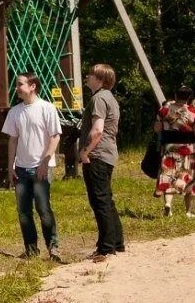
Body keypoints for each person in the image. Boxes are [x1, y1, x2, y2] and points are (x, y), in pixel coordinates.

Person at [2, 73, 63, 261]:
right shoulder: (15, 111)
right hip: (21, 168)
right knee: (23, 212)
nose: (17, 87)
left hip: (40, 168)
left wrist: (45, 163)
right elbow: (13, 140)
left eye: (20, 84)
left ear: (32, 86)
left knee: (44, 209)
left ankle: (53, 247)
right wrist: (10, 165)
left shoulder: (47, 108)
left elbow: (55, 136)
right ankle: (31, 249)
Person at [80, 63, 124, 262]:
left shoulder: (98, 98)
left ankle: (105, 247)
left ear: (100, 79)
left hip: (97, 155)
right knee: (106, 199)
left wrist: (85, 151)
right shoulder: (110, 98)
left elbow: (97, 130)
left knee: (99, 200)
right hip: (108, 153)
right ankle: (116, 242)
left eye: (90, 75)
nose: (87, 77)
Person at [154, 85, 195, 217]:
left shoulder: (164, 110)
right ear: (189, 97)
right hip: (188, 149)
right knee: (191, 177)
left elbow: (156, 129)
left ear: (175, 95)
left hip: (169, 147)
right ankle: (188, 211)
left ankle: (168, 204)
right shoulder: (194, 112)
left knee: (168, 173)